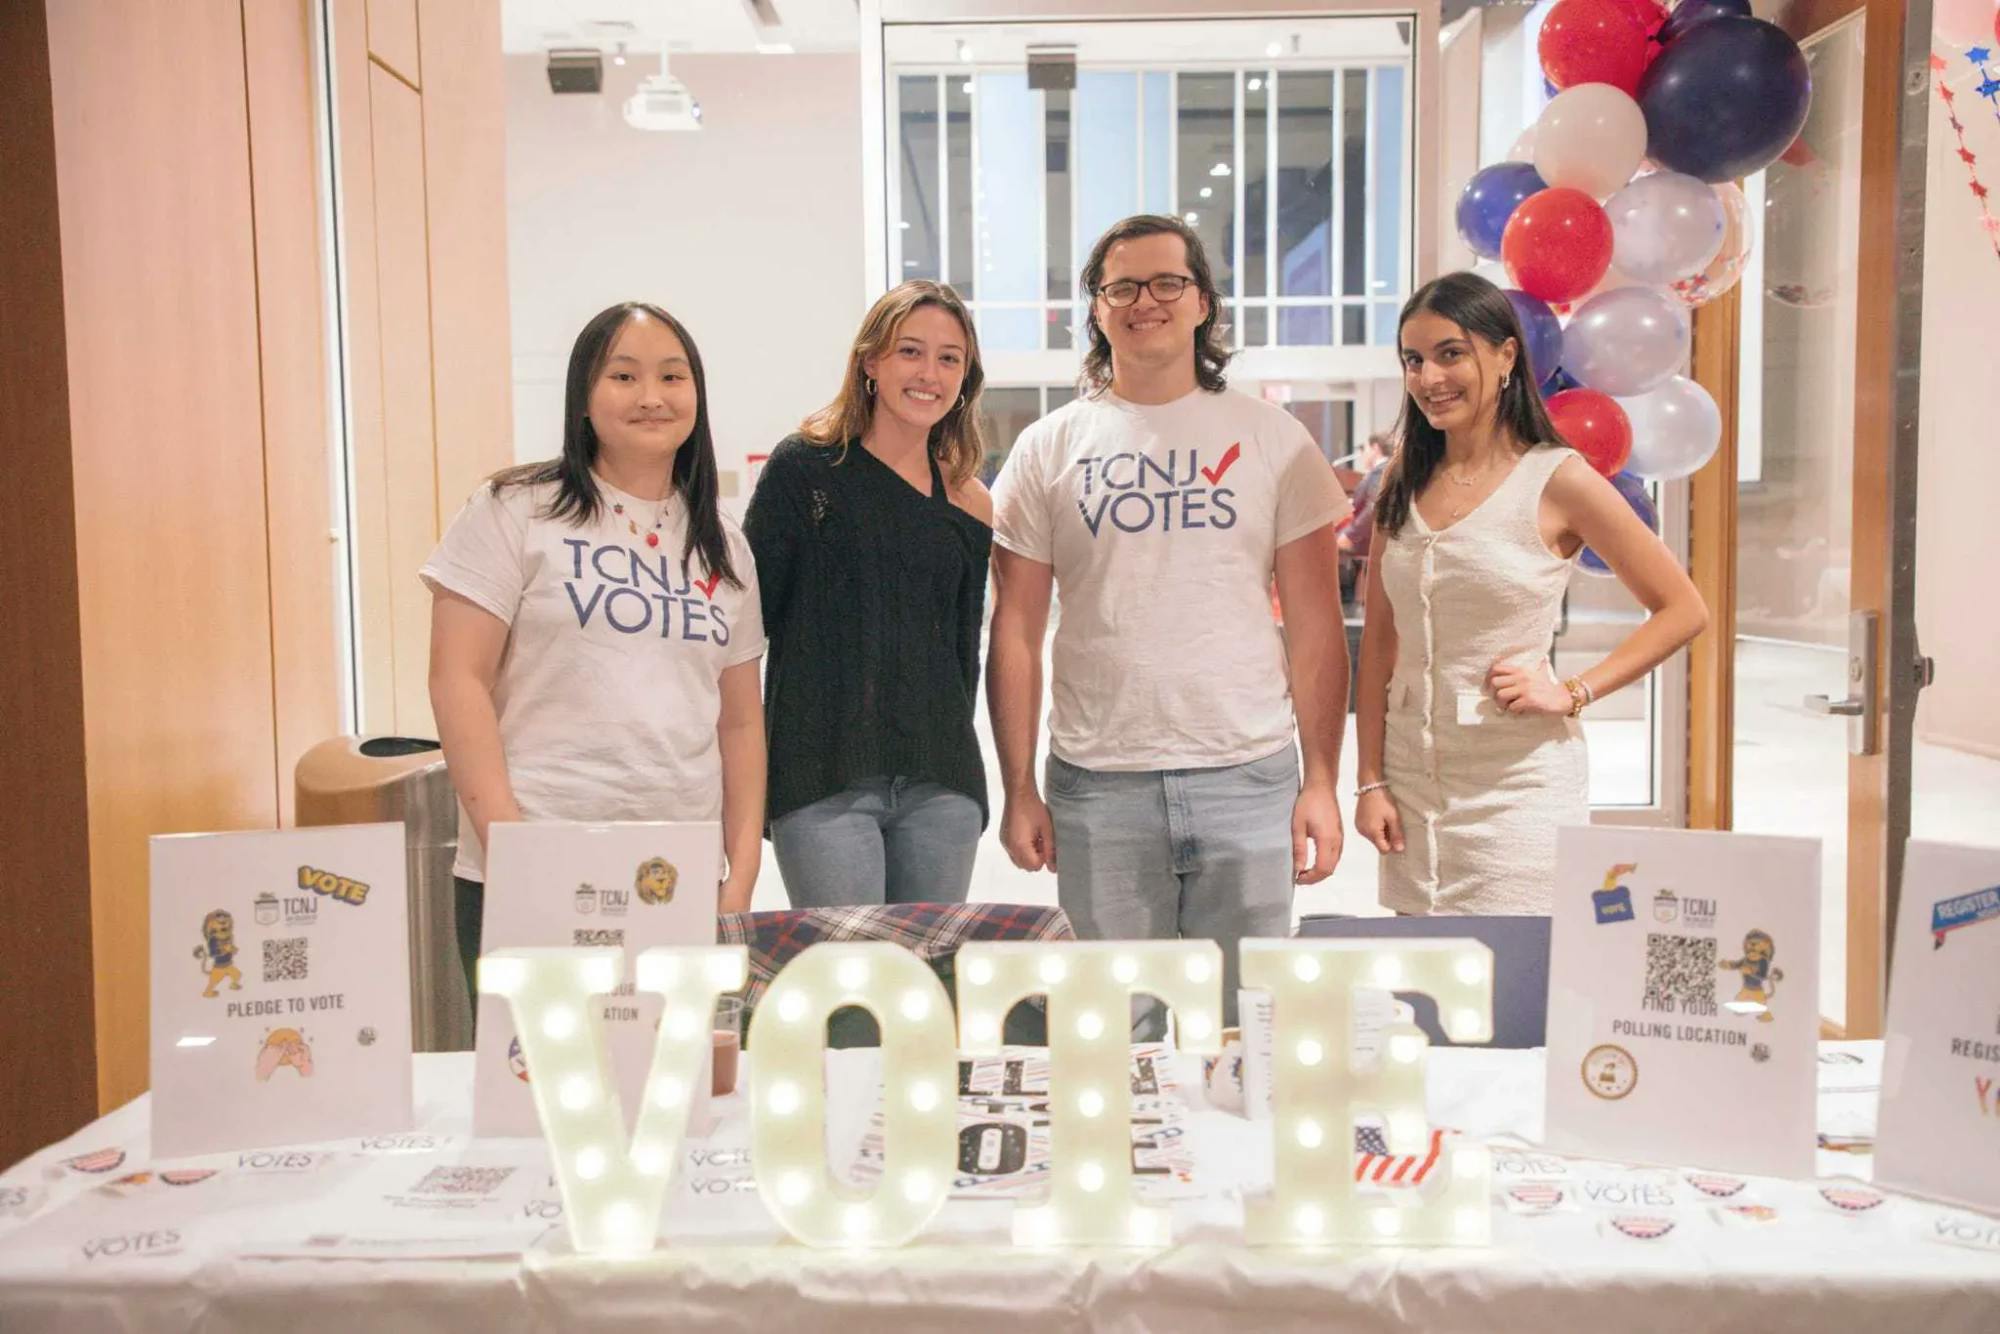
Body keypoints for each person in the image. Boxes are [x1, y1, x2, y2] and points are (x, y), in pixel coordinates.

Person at [987, 214, 1351, 1034]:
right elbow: (1013, 630)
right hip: (1096, 783)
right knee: (1116, 1039)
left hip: (1247, 776)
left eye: (1166, 283)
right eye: (1120, 286)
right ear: (1096, 309)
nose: (1143, 301)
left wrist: (1322, 779)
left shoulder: (1272, 439)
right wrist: (1017, 787)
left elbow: (1318, 627)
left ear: (1202, 305)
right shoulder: (1048, 449)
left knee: (1249, 1030)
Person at [423, 302, 767, 1005]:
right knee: (537, 1104)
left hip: (673, 878)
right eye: (624, 375)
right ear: (584, 396)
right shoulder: (515, 509)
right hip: (532, 866)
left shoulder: (724, 546)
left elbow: (739, 721)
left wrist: (742, 864)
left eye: (673, 376)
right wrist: (512, 853)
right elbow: (457, 681)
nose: (651, 396)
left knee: (676, 1100)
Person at [1352, 272, 1707, 914]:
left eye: (1451, 353)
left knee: (1519, 991)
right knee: (1433, 992)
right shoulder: (1401, 478)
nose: (1430, 377)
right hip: (1412, 794)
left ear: (1506, 354)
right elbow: (1380, 642)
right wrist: (1369, 780)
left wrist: (1573, 692)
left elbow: (1683, 609)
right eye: (1414, 359)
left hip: (1519, 792)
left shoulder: (1559, 478)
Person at [745, 281, 993, 907]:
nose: (928, 373)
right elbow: (745, 631)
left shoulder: (969, 500)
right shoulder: (804, 470)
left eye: (949, 358)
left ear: (966, 376)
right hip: (823, 777)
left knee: (929, 991)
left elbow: (964, 653)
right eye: (909, 351)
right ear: (870, 362)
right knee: (849, 991)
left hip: (941, 782)